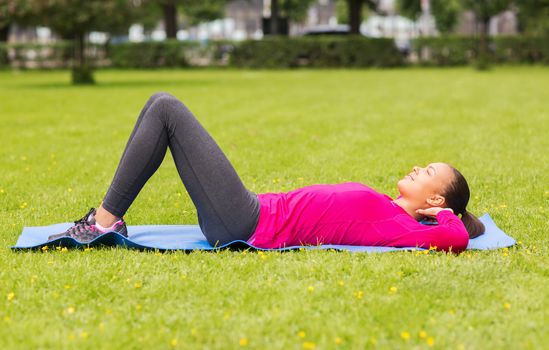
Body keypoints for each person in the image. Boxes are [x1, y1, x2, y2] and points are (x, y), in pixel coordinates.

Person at [48, 92, 485, 253]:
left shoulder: (403, 228)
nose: (415, 167)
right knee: (155, 108)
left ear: (435, 199)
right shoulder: (391, 210)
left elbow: (456, 237)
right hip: (252, 209)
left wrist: (442, 217)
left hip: (246, 223)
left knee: (167, 108)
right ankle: (108, 219)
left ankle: (102, 224)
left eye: (427, 171)